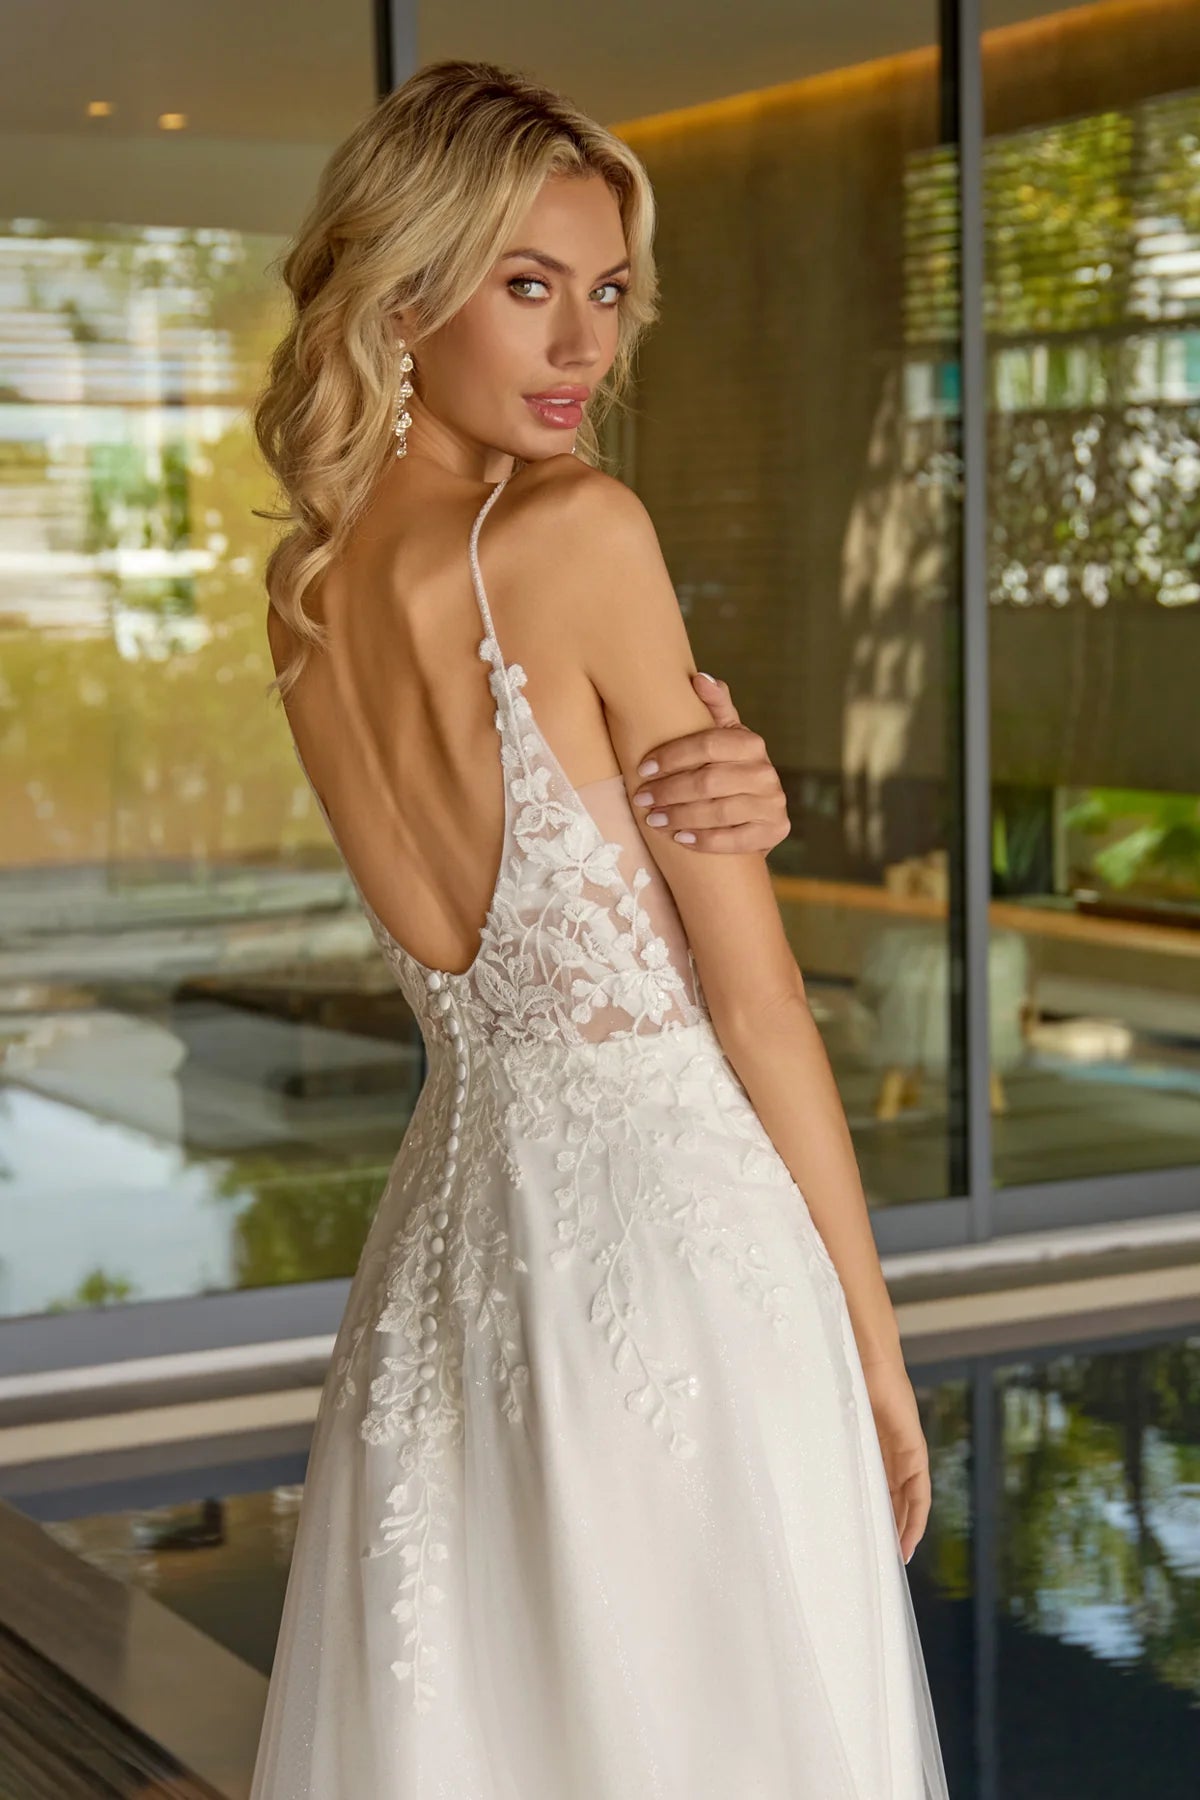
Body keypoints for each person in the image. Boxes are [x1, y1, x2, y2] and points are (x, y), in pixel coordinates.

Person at [250, 57, 949, 1800]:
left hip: (450, 1264)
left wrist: (734, 794)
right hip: (672, 1258)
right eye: (530, 285)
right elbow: (760, 997)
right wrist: (876, 1351)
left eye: (609, 289)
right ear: (405, 296)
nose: (585, 348)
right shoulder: (575, 532)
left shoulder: (311, 603)